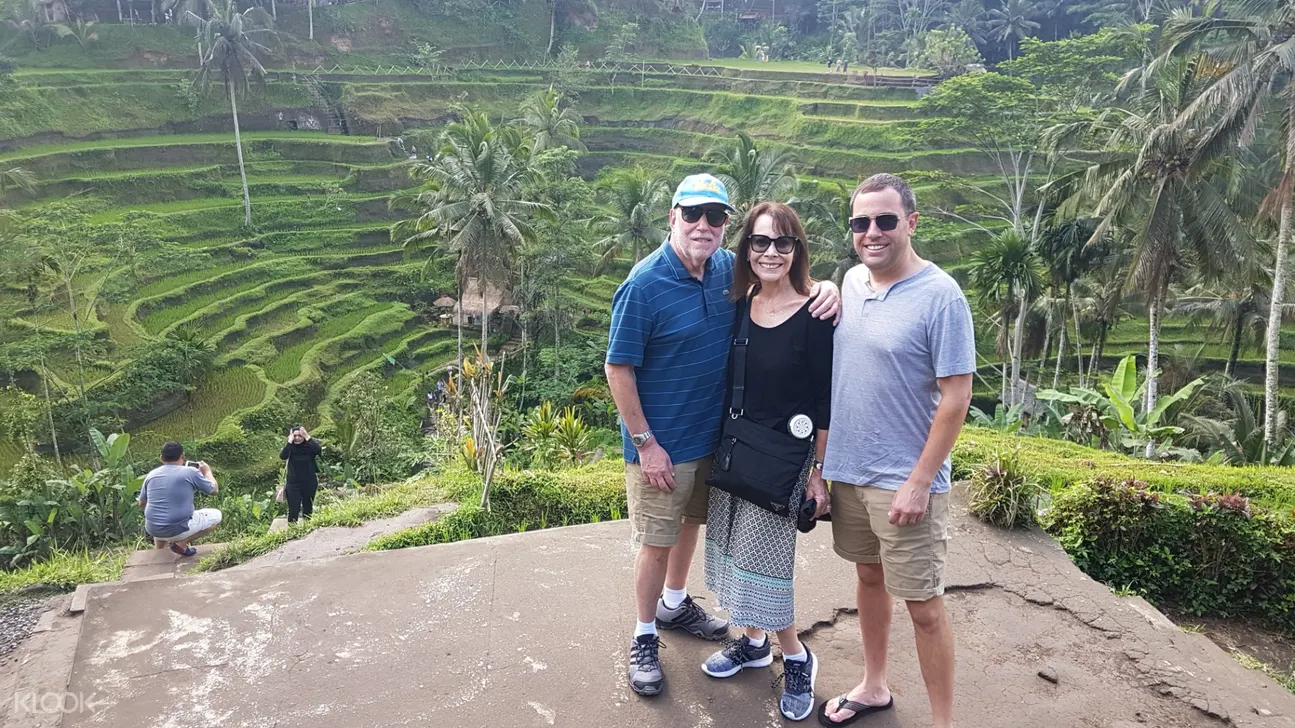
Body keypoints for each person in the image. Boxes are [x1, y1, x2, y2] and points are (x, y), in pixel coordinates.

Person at [606, 174, 841, 698]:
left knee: (693, 527)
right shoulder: (644, 284)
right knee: (656, 539)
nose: (703, 226)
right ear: (673, 216)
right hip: (661, 445)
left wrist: (827, 287)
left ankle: (674, 603)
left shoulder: (725, 275)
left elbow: (785, 287)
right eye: (693, 214)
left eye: (715, 217)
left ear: (725, 227)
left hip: (720, 442)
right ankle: (645, 635)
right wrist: (646, 444)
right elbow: (617, 368)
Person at [816, 173, 975, 728]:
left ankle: (942, 723)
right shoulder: (852, 282)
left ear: (911, 222)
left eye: (885, 220)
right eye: (861, 222)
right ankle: (875, 683)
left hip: (905, 481)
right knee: (867, 579)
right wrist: (821, 468)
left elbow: (957, 397)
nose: (872, 232)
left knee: (925, 608)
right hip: (850, 474)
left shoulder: (941, 295)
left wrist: (919, 481)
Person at [700, 202, 833, 722]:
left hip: (786, 461)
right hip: (738, 449)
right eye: (760, 242)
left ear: (797, 249)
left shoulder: (816, 312)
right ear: (747, 250)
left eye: (783, 243)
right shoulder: (742, 301)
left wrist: (820, 473)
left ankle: (796, 655)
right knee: (737, 556)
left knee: (764, 564)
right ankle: (753, 644)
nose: (771, 252)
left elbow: (825, 399)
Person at [137, 441, 222, 557]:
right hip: (177, 529)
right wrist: (207, 472)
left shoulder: (151, 475)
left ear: (161, 457)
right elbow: (214, 490)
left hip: (152, 528)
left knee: (160, 517)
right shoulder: (191, 472)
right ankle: (182, 544)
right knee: (216, 515)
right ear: (182, 456)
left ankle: (159, 553)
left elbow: (142, 503)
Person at [280, 426, 322, 523]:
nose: (297, 438)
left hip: (309, 482)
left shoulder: (309, 446)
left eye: (300, 435)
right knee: (293, 509)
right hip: (293, 484)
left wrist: (307, 436)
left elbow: (318, 450)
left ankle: (307, 528)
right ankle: (293, 530)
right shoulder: (290, 447)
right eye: (295, 436)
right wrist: (289, 442)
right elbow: (283, 456)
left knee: (308, 507)